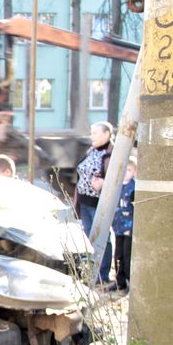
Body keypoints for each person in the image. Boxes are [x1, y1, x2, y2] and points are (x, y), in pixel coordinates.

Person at [74, 121, 114, 284]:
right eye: (92, 133)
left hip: (99, 203)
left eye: (96, 133)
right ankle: (91, 272)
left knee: (102, 237)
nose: (92, 136)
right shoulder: (92, 151)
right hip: (85, 201)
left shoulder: (112, 153)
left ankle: (102, 275)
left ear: (106, 134)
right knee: (89, 237)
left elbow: (118, 177)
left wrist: (104, 182)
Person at [111, 157, 136, 292]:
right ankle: (120, 282)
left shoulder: (134, 188)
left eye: (129, 170)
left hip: (129, 227)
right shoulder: (117, 186)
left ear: (134, 172)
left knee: (127, 255)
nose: (126, 172)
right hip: (118, 226)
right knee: (118, 255)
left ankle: (129, 281)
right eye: (124, 170)